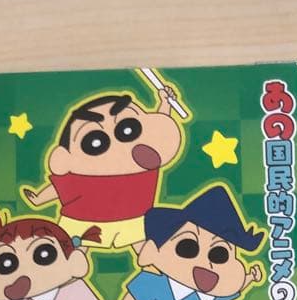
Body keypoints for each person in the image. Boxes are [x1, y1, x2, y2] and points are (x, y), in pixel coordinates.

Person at [23, 86, 185, 251]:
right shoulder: (82, 177)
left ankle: (155, 265)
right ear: (65, 157)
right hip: (85, 222)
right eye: (94, 142)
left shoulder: (144, 162)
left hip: (132, 219)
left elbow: (158, 133)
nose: (118, 147)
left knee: (144, 248)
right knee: (75, 251)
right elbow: (61, 188)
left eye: (128, 129)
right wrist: (39, 199)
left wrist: (165, 104)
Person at [113, 185, 265, 300]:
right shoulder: (154, 282)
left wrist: (249, 278)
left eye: (219, 254)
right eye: (187, 248)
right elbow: (135, 296)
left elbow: (231, 288)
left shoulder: (211, 297)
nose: (206, 264)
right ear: (153, 251)